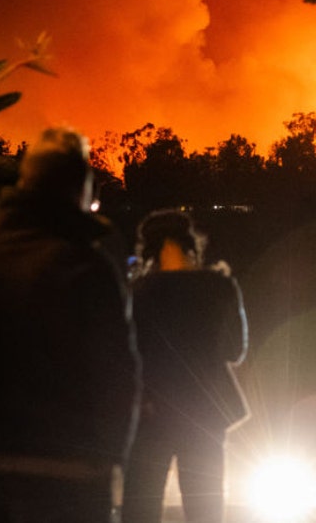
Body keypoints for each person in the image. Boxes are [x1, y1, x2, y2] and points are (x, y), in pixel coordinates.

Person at [0, 126, 141, 523]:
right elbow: (117, 374)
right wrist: (111, 463)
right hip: (64, 481)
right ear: (82, 189)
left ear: (25, 181)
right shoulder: (88, 266)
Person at [120, 209, 249, 523]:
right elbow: (236, 351)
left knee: (141, 507)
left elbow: (124, 357)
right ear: (191, 244)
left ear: (150, 249)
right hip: (204, 410)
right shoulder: (220, 287)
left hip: (152, 413)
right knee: (206, 508)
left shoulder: (138, 294)